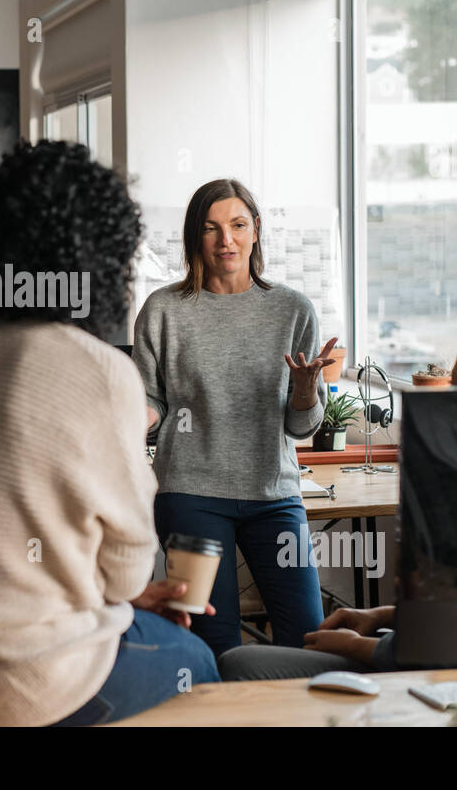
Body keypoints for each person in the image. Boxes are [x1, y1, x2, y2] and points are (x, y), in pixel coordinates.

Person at [0, 139, 219, 726]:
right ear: (100, 260)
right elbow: (125, 572)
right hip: (26, 683)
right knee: (199, 660)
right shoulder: (99, 370)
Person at [218, 328, 457, 681]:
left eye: (454, 384)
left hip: (454, 681)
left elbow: (452, 653)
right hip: (450, 661)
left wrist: (355, 646)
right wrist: (381, 616)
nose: (444, 394)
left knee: (239, 664)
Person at [133, 178, 336, 657]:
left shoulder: (293, 310)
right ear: (194, 236)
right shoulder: (163, 310)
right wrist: (132, 416)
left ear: (256, 230)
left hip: (273, 494)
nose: (226, 240)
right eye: (211, 228)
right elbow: (152, 401)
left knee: (310, 640)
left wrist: (305, 391)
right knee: (213, 644)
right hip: (190, 494)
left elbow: (301, 427)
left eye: (238, 225)